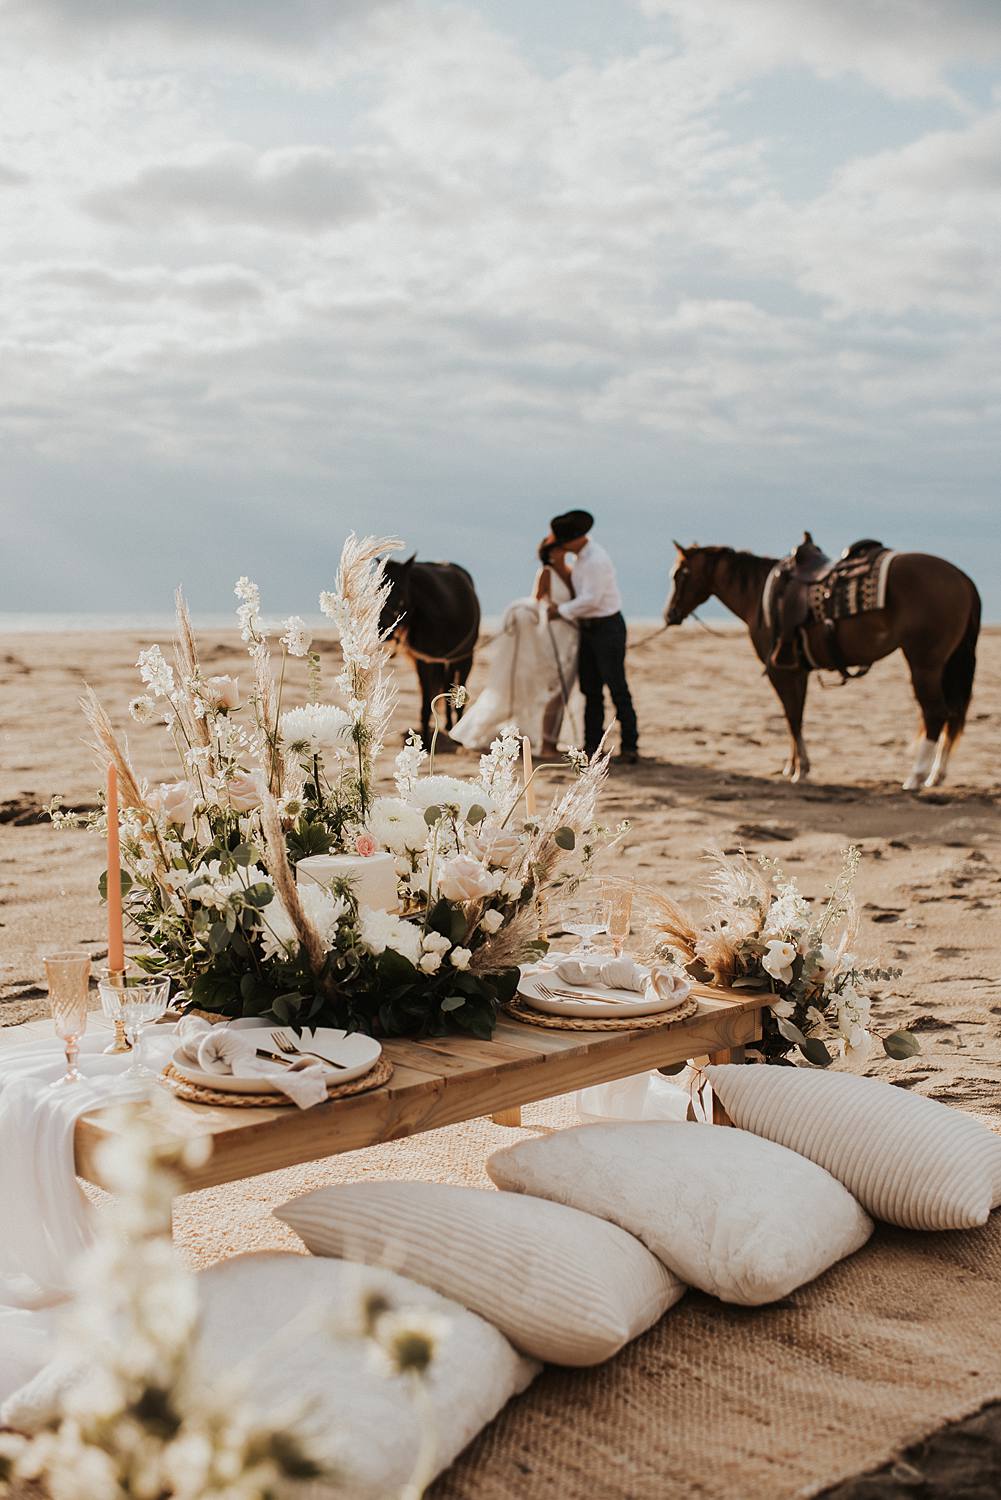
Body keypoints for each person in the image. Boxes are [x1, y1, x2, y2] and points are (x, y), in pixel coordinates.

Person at [450, 538, 580, 755]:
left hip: (570, 634)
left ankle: (550, 737)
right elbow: (536, 602)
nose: (560, 552)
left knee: (564, 685)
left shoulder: (572, 572)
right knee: (547, 684)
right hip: (551, 633)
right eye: (556, 549)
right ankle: (544, 739)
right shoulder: (546, 573)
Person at [545, 509, 638, 764]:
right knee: (591, 689)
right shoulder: (583, 559)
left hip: (607, 627)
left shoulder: (596, 560)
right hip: (589, 628)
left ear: (577, 538)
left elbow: (591, 600)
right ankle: (593, 744)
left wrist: (560, 610)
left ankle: (630, 745)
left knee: (617, 687)